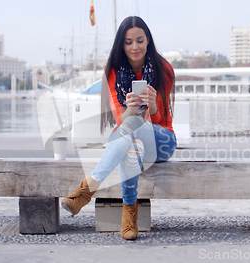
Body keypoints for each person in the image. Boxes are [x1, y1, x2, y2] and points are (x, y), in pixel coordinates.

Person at [61, 16, 176, 240]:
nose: (135, 47)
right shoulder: (114, 72)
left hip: (162, 142)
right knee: (130, 147)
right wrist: (129, 110)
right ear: (121, 45)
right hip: (132, 140)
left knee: (131, 128)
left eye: (140, 40)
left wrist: (152, 106)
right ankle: (129, 218)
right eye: (128, 42)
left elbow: (162, 121)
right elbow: (119, 119)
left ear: (148, 40)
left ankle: (87, 189)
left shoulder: (164, 69)